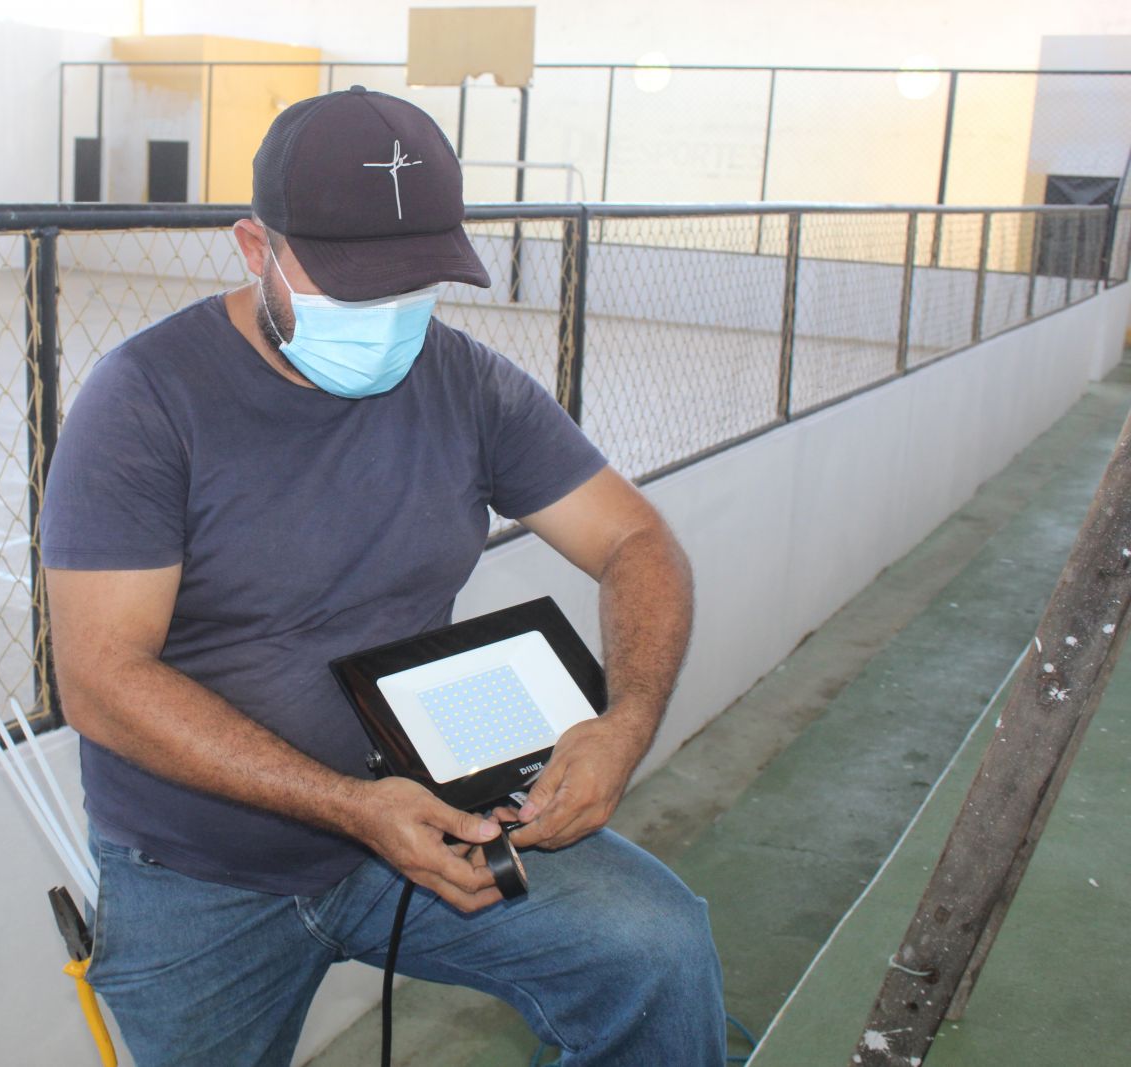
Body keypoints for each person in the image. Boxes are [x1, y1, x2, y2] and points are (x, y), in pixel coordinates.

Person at [40, 86, 724, 1066]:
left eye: (414, 285)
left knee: (657, 947)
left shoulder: (464, 380)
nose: (388, 319)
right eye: (352, 288)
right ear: (255, 248)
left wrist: (628, 719)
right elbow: (102, 679)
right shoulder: (146, 401)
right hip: (199, 871)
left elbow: (636, 541)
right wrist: (350, 805)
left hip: (429, 816)